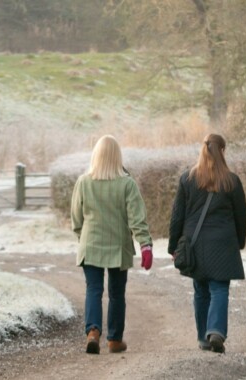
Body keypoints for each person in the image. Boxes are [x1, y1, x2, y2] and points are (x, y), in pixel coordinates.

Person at [71, 135, 153, 355]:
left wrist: (84, 237)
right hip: (119, 247)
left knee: (94, 290)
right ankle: (115, 339)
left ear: (95, 155)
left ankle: (93, 332)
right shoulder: (127, 184)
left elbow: (76, 220)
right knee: (117, 294)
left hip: (91, 244)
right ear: (118, 157)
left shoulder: (83, 182)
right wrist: (145, 244)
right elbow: (137, 218)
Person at [168, 134, 246, 354]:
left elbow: (177, 217)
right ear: (222, 151)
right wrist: (238, 243)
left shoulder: (187, 179)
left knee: (201, 290)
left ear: (202, 150)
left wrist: (174, 246)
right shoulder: (232, 181)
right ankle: (216, 332)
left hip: (195, 244)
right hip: (223, 243)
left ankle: (204, 337)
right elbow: (242, 216)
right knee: (220, 288)